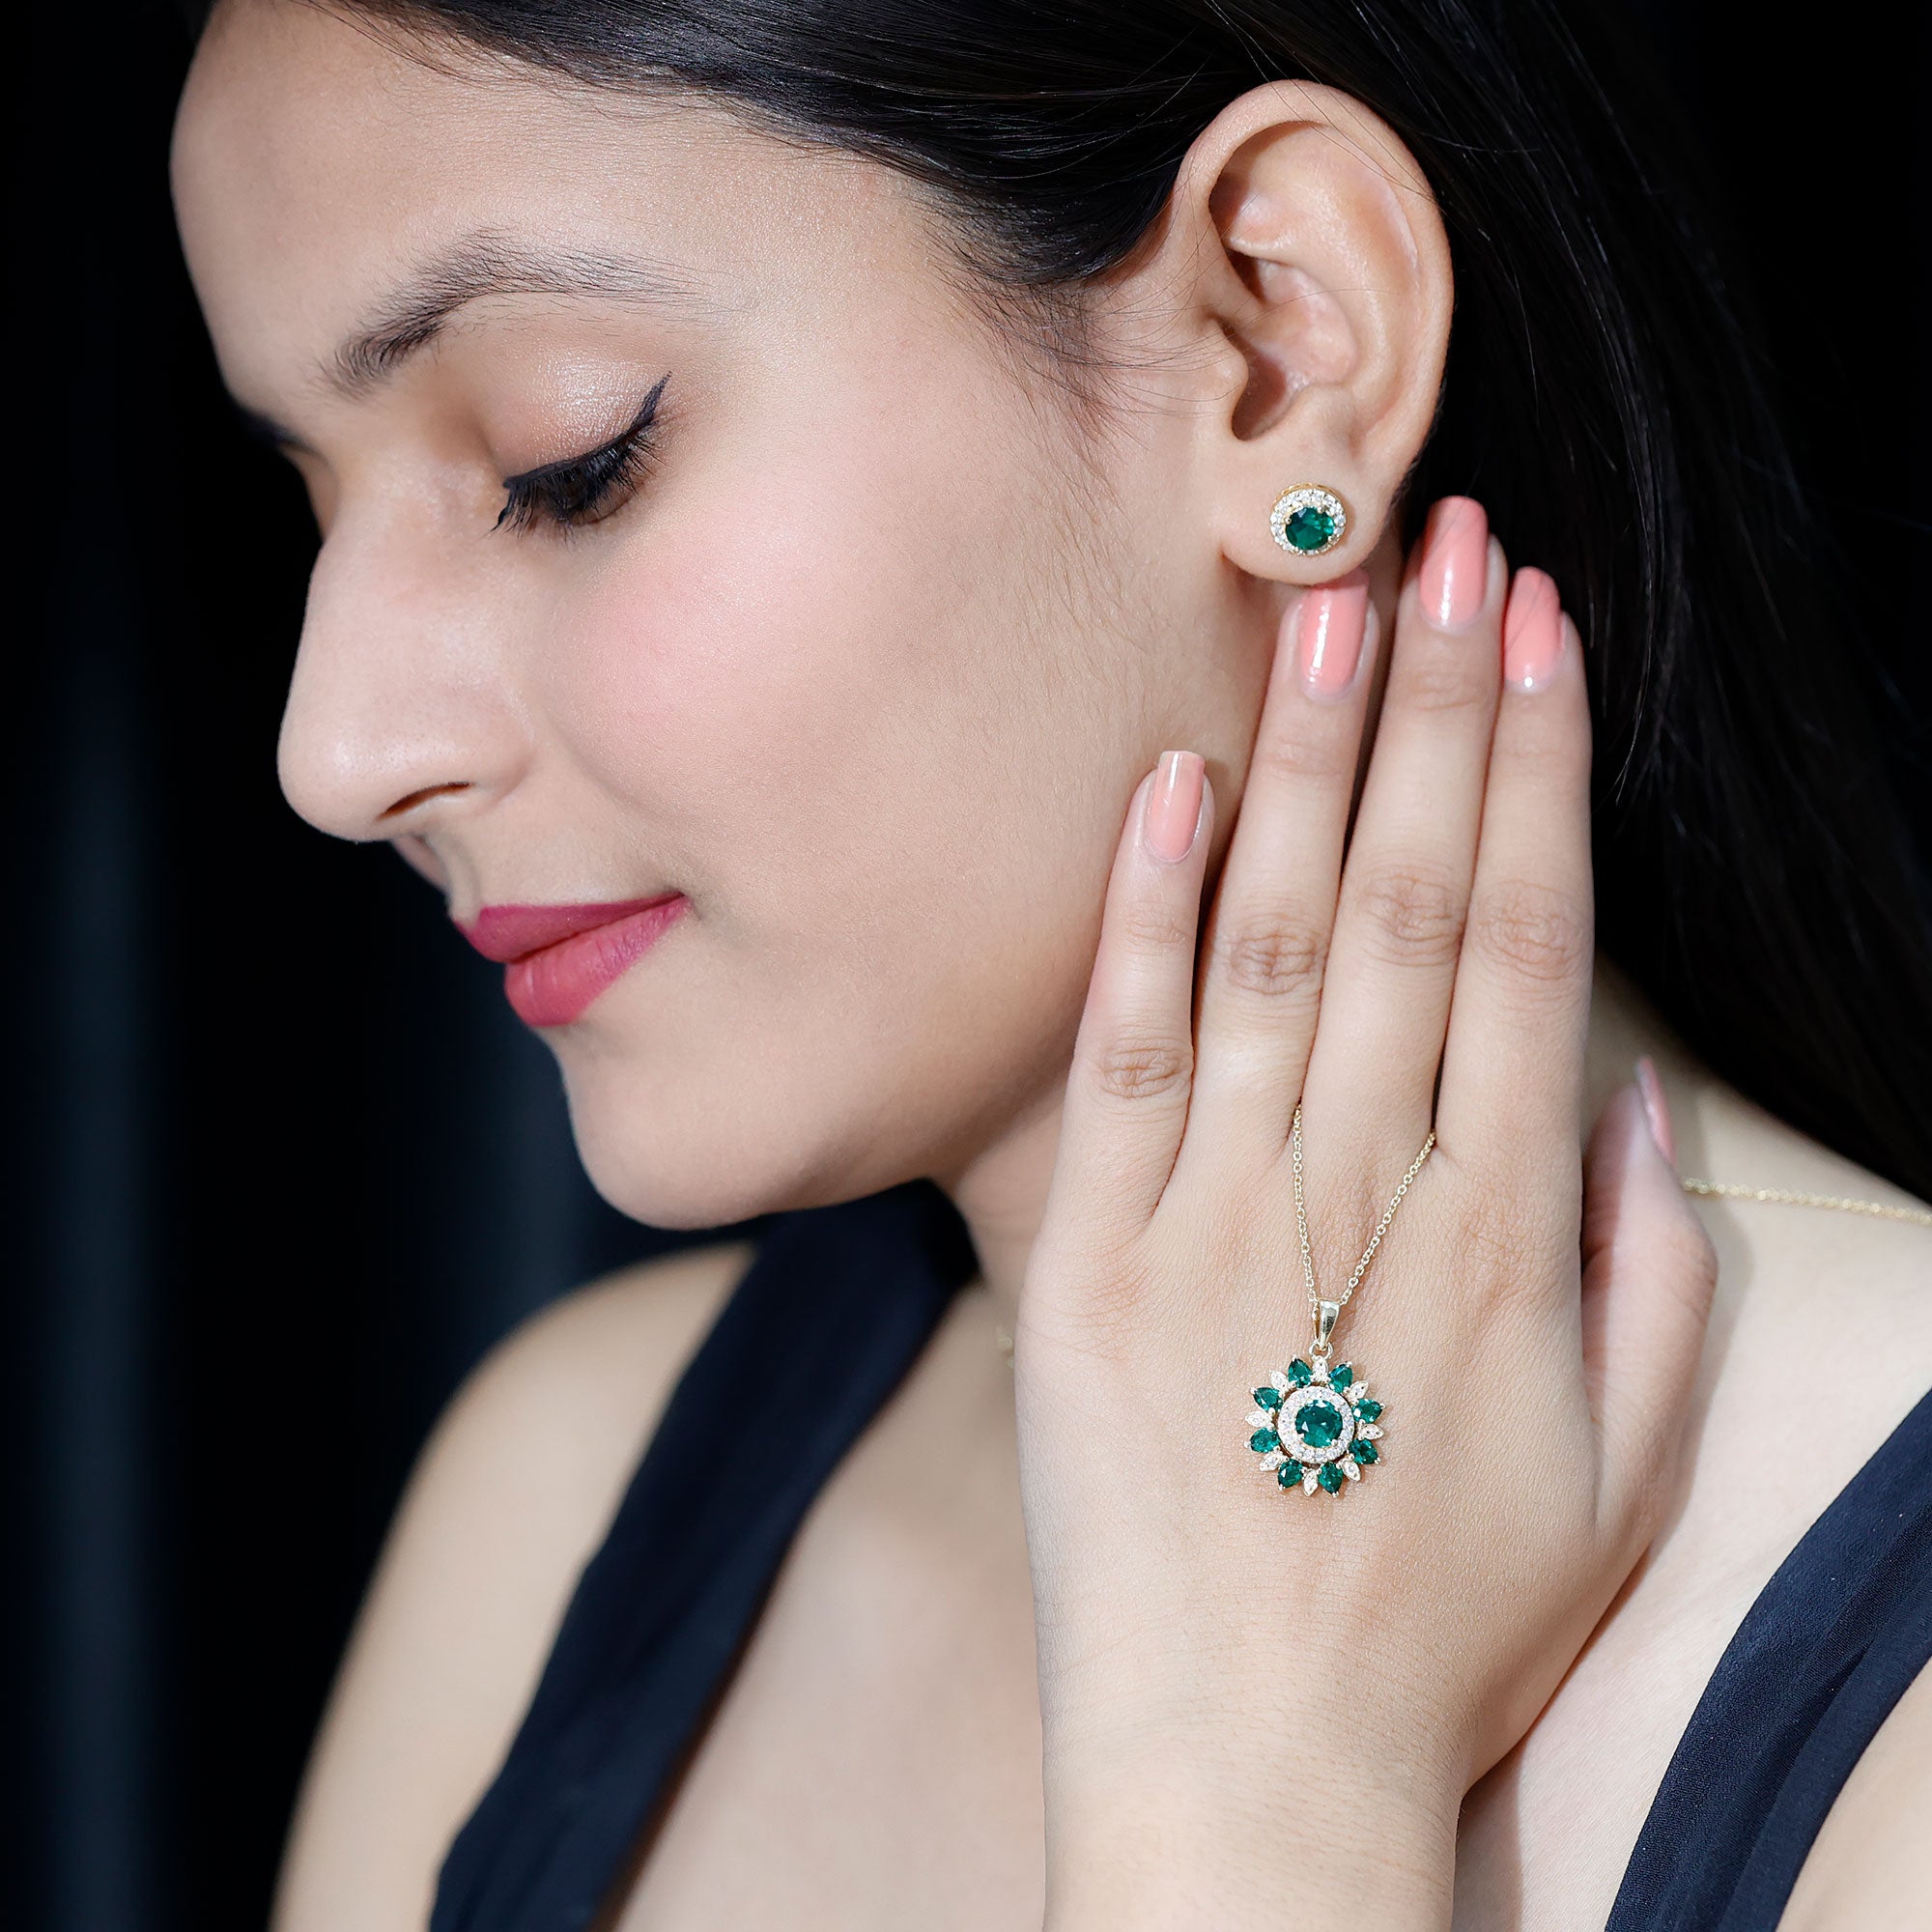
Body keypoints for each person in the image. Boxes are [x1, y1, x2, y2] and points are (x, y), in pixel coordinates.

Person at [168, 1, 1932, 1926]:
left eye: (565, 459)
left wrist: (1273, 1775)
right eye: (309, 507)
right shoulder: (556, 1503)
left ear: (1278, 345)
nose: (335, 750)